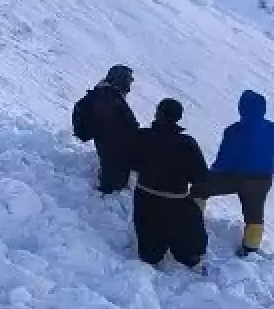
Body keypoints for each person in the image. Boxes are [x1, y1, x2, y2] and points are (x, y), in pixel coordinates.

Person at [194, 90, 274, 256]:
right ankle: (250, 247)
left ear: (242, 108)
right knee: (255, 213)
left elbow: (224, 160)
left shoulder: (234, 131)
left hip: (236, 177)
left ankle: (192, 222)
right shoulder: (273, 129)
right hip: (263, 179)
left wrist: (211, 174)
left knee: (200, 189)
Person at [129, 98, 209, 269]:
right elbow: (201, 177)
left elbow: (129, 161)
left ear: (158, 114)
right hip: (175, 203)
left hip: (145, 200)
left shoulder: (143, 136)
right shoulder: (187, 144)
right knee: (189, 250)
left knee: (149, 254)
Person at [72, 65, 140, 194]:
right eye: (128, 80)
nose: (130, 85)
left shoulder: (105, 95)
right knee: (114, 188)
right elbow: (115, 131)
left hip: (113, 153)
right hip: (115, 156)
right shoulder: (108, 99)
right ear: (120, 80)